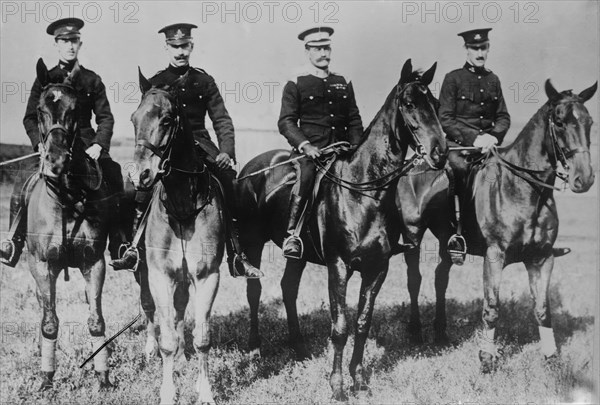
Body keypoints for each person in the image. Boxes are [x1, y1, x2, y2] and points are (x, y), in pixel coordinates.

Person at [110, 23, 263, 278]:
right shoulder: (156, 83)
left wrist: (226, 151)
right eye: (175, 46)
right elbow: (145, 122)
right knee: (133, 188)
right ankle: (134, 248)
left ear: (191, 46)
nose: (180, 51)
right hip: (163, 150)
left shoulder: (204, 81)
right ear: (167, 47)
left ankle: (237, 254)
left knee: (231, 184)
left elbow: (222, 120)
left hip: (200, 146)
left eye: (184, 46)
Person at [0, 18, 125, 267]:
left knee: (114, 172)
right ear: (56, 44)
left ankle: (120, 241)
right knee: (23, 180)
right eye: (64, 41)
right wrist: (39, 144)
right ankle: (13, 241)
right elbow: (29, 118)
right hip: (53, 146)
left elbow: (105, 118)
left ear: (80, 43)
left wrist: (99, 144)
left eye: (74, 41)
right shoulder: (46, 78)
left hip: (87, 145)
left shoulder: (92, 80)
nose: (70, 46)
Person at [439, 28, 569, 262]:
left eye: (483, 47)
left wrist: (494, 137)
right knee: (458, 172)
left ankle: (536, 240)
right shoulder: (453, 78)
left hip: (489, 148)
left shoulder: (493, 80)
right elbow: (446, 118)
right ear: (466, 50)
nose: (480, 52)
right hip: (460, 149)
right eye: (475, 48)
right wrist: (473, 138)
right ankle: (458, 234)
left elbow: (503, 117)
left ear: (488, 48)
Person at [278, 27, 364, 259]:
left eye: (326, 47)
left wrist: (356, 146)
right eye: (317, 49)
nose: (323, 53)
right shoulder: (296, 82)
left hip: (343, 151)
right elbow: (286, 122)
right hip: (313, 153)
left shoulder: (342, 80)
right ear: (307, 51)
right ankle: (292, 234)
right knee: (306, 177)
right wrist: (306, 146)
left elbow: (354, 118)